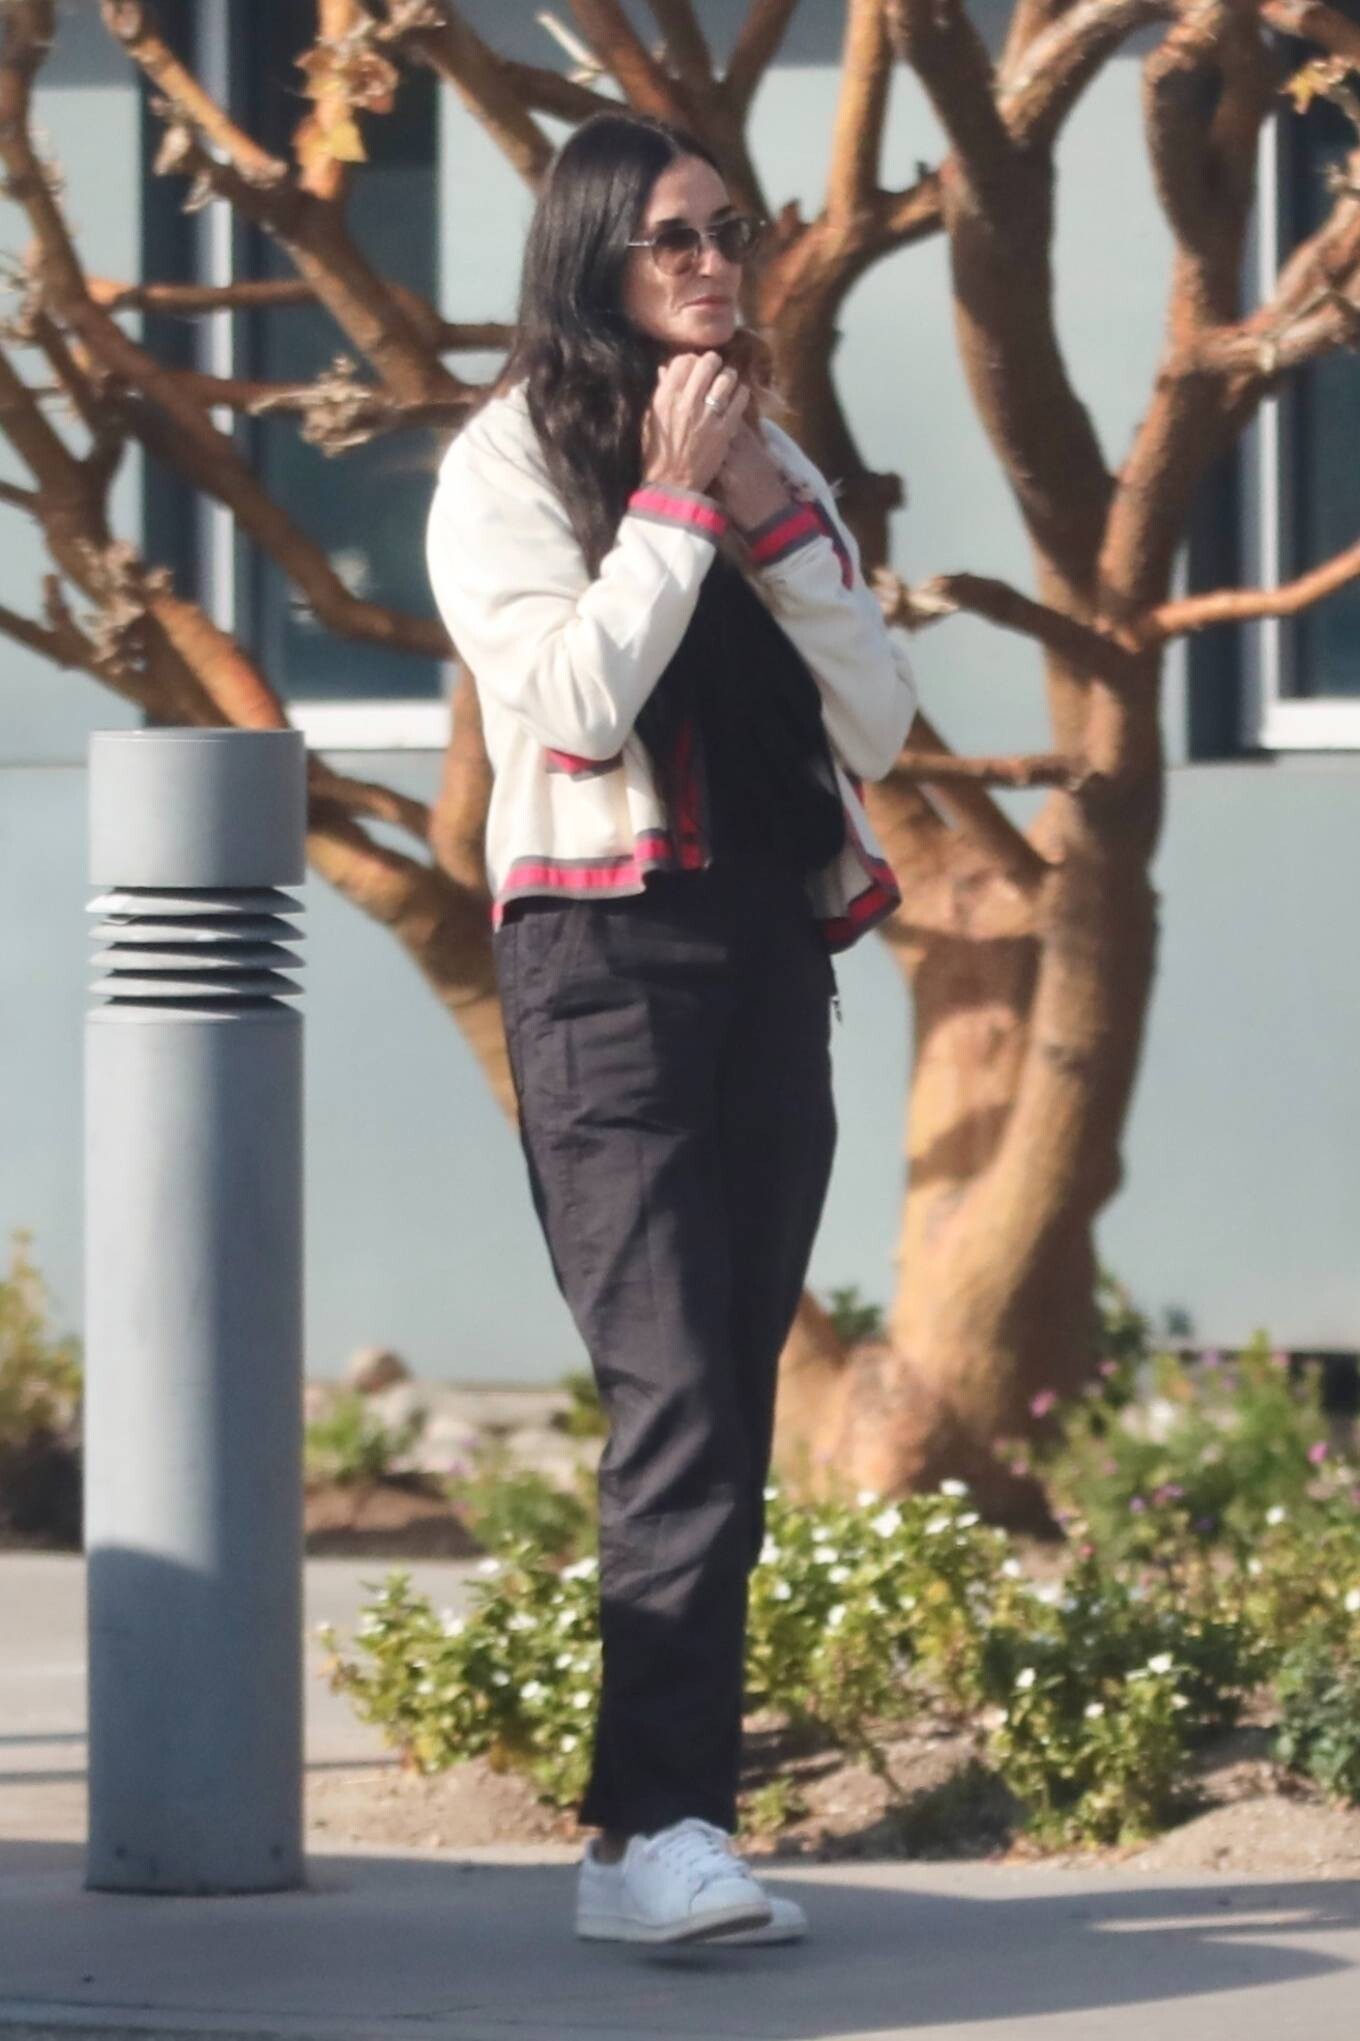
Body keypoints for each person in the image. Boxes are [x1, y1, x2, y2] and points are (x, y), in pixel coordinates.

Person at [425, 109, 916, 1947]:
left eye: (731, 228)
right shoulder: (506, 463)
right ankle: (655, 1835)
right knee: (680, 1392)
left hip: (770, 954)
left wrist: (770, 516)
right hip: (602, 964)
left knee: (730, 1390)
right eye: (674, 239)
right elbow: (572, 697)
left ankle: (659, 1835)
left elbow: (879, 719)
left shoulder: (768, 452)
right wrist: (677, 503)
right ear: (595, 263)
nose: (717, 262)